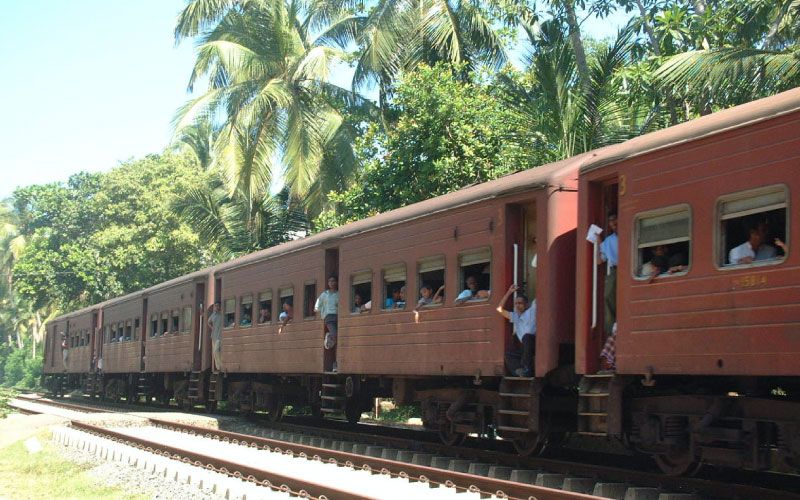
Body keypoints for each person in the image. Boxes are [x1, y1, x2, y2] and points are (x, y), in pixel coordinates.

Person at [496, 284, 536, 377]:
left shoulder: (532, 310)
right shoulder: (515, 316)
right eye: (516, 303)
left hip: (534, 343)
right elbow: (499, 309)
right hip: (525, 348)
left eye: (520, 303)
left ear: (527, 304)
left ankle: (527, 369)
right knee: (508, 354)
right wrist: (509, 292)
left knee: (526, 337)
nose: (518, 305)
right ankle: (519, 372)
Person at [599, 213, 618, 334]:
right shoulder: (608, 240)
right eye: (610, 221)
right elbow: (599, 261)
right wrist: (597, 243)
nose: (613, 224)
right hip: (615, 270)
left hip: (628, 268)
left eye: (615, 220)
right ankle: (612, 330)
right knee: (608, 296)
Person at [315, 275, 339, 351]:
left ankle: (331, 338)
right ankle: (329, 336)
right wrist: (318, 310)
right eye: (329, 281)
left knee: (339, 335)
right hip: (328, 317)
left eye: (333, 281)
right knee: (334, 334)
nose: (331, 283)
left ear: (336, 282)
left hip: (337, 316)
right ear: (328, 283)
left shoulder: (339, 294)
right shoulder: (324, 294)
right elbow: (318, 304)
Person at [208, 302, 223, 372]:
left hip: (220, 336)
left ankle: (220, 366)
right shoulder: (213, 314)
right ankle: (218, 367)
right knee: (214, 352)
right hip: (213, 335)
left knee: (216, 350)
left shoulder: (222, 314)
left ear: (220, 307)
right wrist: (212, 327)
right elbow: (208, 322)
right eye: (215, 306)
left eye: (217, 306)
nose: (216, 307)